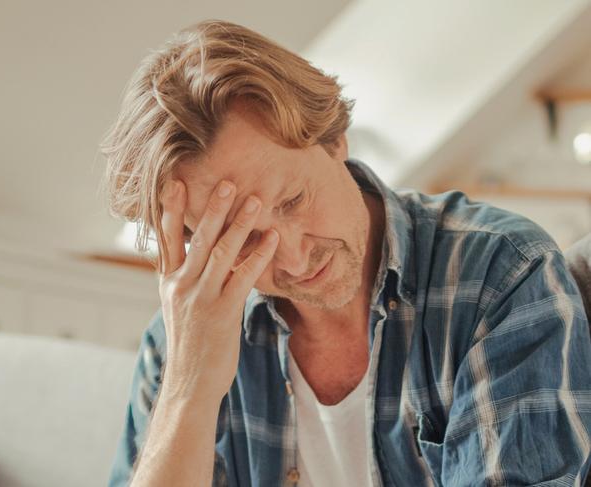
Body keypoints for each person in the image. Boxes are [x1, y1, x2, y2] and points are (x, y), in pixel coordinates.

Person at [99, 19, 591, 487]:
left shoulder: (501, 277)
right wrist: (189, 390)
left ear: (333, 138)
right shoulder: (177, 346)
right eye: (242, 239)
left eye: (293, 201)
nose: (292, 259)